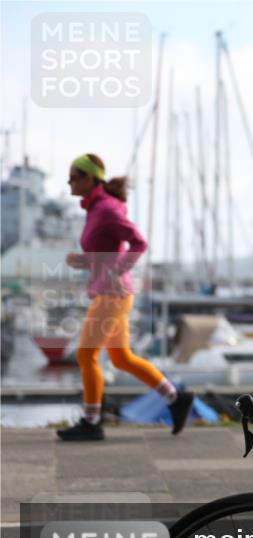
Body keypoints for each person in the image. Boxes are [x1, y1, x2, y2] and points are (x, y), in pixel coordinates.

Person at [58, 153, 193, 441]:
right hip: (111, 293)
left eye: (74, 175)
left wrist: (118, 272)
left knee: (86, 354)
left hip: (112, 293)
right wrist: (84, 262)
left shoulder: (106, 209)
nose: (68, 181)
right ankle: (175, 398)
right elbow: (108, 252)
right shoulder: (95, 209)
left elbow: (138, 242)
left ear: (90, 178)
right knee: (121, 357)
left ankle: (91, 422)